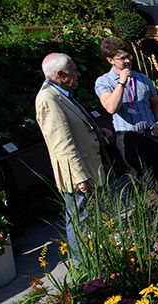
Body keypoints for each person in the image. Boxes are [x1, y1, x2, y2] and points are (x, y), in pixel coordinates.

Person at [36, 53, 110, 260]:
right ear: (60, 74)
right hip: (79, 175)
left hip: (88, 167)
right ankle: (83, 264)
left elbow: (75, 128)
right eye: (73, 71)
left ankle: (96, 256)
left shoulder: (61, 94)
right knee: (80, 220)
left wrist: (97, 131)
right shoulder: (48, 99)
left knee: (89, 218)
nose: (77, 74)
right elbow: (61, 143)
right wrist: (79, 177)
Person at [95, 37, 158, 186]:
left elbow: (156, 104)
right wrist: (121, 83)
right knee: (136, 178)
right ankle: (143, 208)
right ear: (110, 60)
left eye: (129, 56)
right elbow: (111, 108)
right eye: (122, 58)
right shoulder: (103, 82)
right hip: (127, 137)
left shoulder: (143, 79)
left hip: (150, 133)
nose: (127, 61)